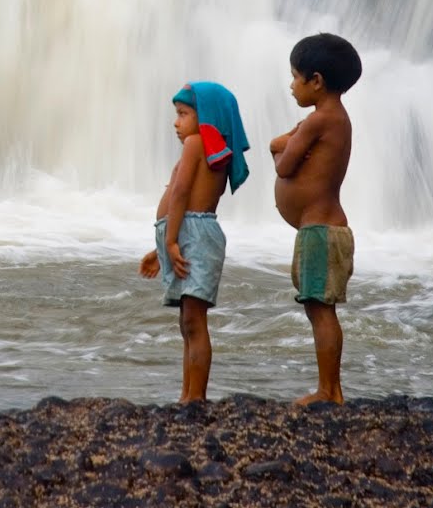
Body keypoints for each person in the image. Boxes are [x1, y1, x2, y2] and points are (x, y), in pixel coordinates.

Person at [139, 81, 250, 403]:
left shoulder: (196, 144)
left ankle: (195, 397)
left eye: (183, 114)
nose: (176, 122)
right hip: (186, 235)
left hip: (192, 236)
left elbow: (181, 193)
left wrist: (171, 240)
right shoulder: (206, 147)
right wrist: (161, 250)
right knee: (187, 320)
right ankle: (187, 394)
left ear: (207, 118)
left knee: (194, 320)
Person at [270, 33, 362, 406]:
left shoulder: (317, 121)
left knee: (321, 313)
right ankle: (331, 388)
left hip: (320, 233)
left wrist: (275, 148)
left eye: (295, 77)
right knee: (319, 309)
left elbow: (286, 167)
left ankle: (329, 390)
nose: (291, 86)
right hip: (325, 230)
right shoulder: (336, 119)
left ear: (316, 81)